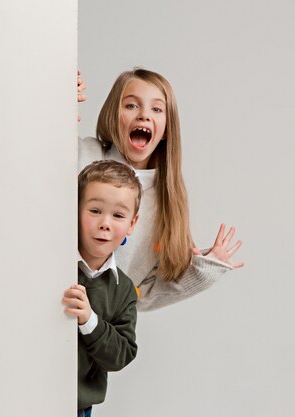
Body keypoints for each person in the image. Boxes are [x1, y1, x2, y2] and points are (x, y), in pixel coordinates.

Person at [77, 68, 245, 311]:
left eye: (156, 109)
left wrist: (205, 268)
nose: (144, 115)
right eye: (132, 106)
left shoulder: (166, 200)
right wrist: (58, 101)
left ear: (166, 129)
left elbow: (145, 293)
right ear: (113, 115)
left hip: (100, 334)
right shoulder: (85, 155)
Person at [63, 160, 142, 417]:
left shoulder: (124, 291)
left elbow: (121, 355)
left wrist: (89, 321)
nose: (105, 223)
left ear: (132, 223)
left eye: (118, 215)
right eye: (95, 210)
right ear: (75, 210)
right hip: (27, 395)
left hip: (78, 408)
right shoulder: (52, 266)